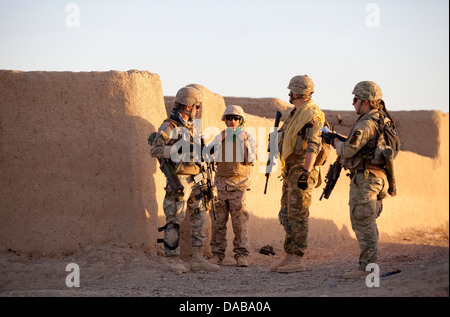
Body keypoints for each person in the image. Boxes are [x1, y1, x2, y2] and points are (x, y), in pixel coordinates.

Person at [322, 81, 390, 278]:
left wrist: (333, 140)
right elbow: (362, 147)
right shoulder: (381, 120)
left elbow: (348, 149)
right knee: (368, 222)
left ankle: (367, 270)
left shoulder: (367, 123)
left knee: (362, 222)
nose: (353, 104)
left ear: (366, 101)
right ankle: (370, 266)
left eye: (356, 99)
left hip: (367, 180)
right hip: (377, 178)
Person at [149, 85, 220, 274]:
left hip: (197, 178)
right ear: (189, 107)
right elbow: (155, 150)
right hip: (179, 179)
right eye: (197, 106)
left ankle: (197, 259)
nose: (198, 110)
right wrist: (175, 151)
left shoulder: (193, 127)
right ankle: (172, 259)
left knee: (200, 218)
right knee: (174, 218)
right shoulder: (170, 126)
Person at [270, 75, 326, 273]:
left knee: (298, 213)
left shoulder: (312, 115)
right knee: (286, 213)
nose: (289, 94)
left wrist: (306, 172)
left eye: (291, 91)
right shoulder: (296, 113)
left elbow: (314, 146)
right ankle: (289, 255)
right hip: (291, 168)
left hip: (302, 167)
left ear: (296, 92)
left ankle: (297, 258)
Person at [209, 105, 257, 267]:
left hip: (239, 185)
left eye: (235, 118)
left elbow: (251, 159)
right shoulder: (219, 137)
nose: (232, 121)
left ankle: (241, 255)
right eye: (229, 118)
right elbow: (207, 155)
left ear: (241, 121)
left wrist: (244, 142)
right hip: (220, 185)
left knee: (239, 223)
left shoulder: (248, 137)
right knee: (218, 222)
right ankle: (217, 254)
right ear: (225, 120)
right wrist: (219, 139)